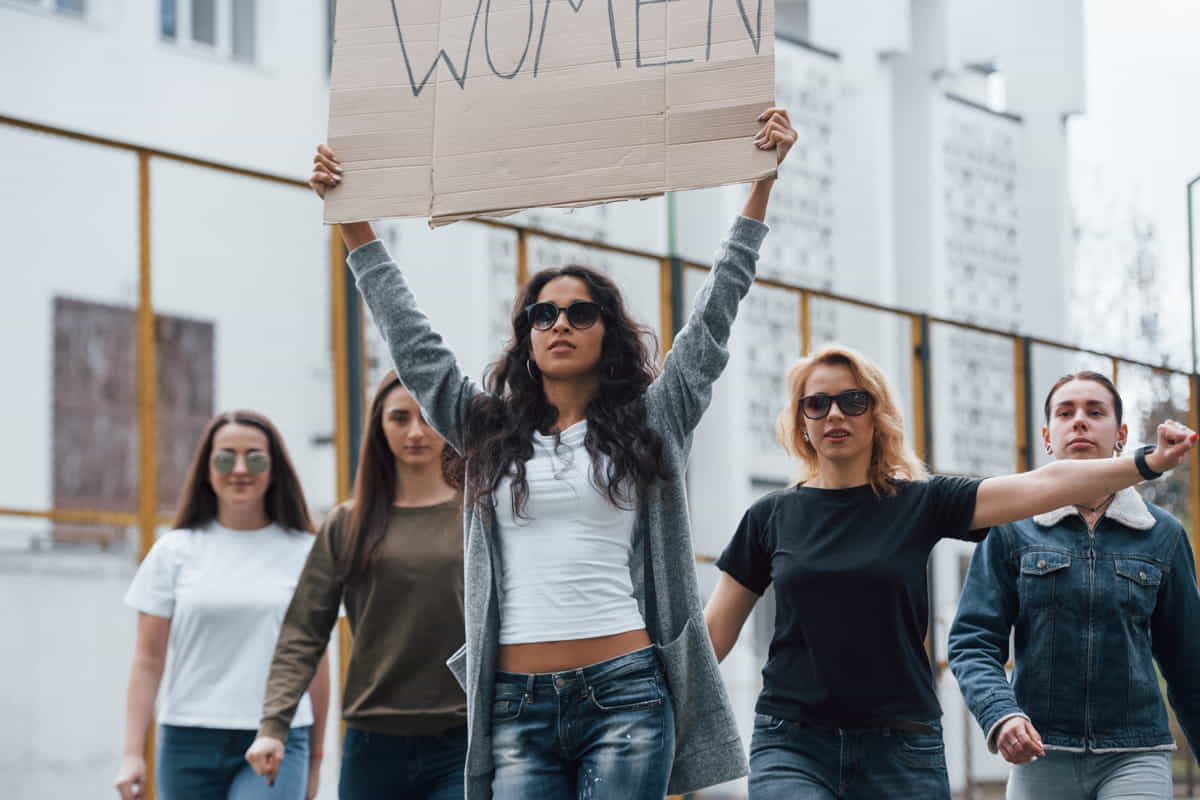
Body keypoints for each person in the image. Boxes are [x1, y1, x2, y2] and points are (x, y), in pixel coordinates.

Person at [305, 105, 797, 800]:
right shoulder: (485, 430)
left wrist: (760, 185)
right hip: (513, 703)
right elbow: (410, 338)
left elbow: (716, 313)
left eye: (579, 311)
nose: (559, 322)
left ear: (607, 332)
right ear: (527, 336)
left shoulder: (654, 419)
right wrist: (352, 218)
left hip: (625, 694)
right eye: (543, 313)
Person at [703, 346, 1197, 800]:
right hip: (792, 742)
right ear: (800, 421)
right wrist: (653, 713)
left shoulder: (921, 501)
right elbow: (712, 638)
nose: (834, 413)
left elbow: (1047, 483)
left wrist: (1149, 462)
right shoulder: (769, 518)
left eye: (853, 400)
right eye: (817, 404)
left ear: (877, 415)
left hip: (901, 746)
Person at [949, 371, 1200, 799]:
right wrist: (1001, 714)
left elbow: (1189, 661)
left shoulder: (1163, 534)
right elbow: (973, 641)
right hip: (1041, 752)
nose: (1079, 421)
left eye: (1094, 411)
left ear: (1120, 434)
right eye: (1066, 413)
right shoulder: (1011, 528)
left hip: (1136, 752)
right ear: (1048, 437)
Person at [244, 372, 468, 799]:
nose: (416, 431)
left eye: (428, 417)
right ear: (379, 427)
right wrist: (273, 726)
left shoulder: (479, 517)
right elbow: (302, 633)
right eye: (400, 418)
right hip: (372, 741)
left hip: (463, 740)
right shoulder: (349, 523)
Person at [115, 411, 329, 800]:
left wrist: (315, 760)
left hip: (278, 737)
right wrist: (132, 754)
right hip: (187, 740)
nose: (240, 469)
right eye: (226, 457)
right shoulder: (173, 551)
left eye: (256, 457)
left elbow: (316, 662)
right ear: (207, 469)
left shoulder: (306, 553)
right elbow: (147, 661)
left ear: (275, 469)